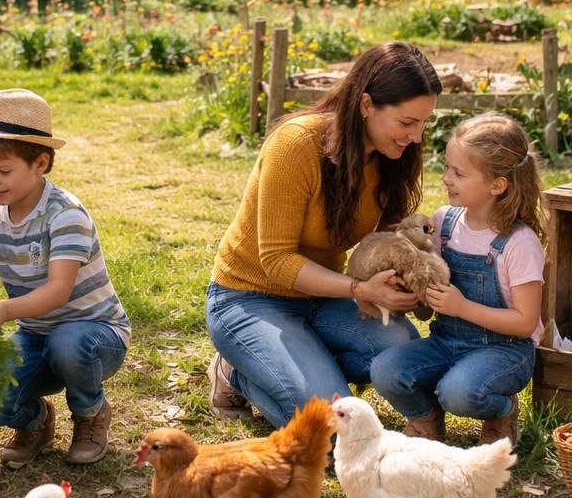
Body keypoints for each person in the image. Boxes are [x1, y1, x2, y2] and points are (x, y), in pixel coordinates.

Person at [205, 41, 443, 428]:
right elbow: (277, 261)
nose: (416, 137)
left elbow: (389, 239)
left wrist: (406, 280)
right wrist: (362, 291)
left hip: (323, 296)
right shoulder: (296, 144)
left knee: (401, 353)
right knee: (334, 429)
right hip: (250, 297)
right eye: (406, 122)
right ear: (366, 105)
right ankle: (238, 373)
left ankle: (298, 363)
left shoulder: (393, 157)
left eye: (423, 123)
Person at [0, 89, 129, 467]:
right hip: (36, 335)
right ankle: (35, 420)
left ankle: (90, 413)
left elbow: (58, 291)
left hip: (94, 335)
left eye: (3, 171)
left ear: (40, 163)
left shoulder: (65, 215)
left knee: (68, 342)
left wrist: (4, 308)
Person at [370, 112, 547, 448]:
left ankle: (502, 410)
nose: (446, 178)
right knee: (385, 370)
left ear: (497, 185)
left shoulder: (519, 243)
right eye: (447, 168)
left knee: (459, 393)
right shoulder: (444, 223)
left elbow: (525, 323)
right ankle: (425, 417)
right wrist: (413, 288)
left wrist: (462, 306)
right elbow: (430, 280)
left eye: (459, 173)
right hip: (447, 341)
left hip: (504, 351)